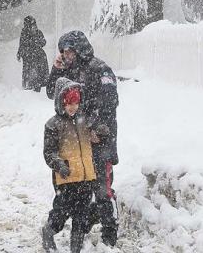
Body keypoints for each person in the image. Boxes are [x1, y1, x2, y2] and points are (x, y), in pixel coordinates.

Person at [46, 30, 119, 247]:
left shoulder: (100, 69)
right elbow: (52, 92)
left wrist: (98, 129)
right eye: (64, 52)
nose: (66, 55)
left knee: (102, 189)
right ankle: (84, 222)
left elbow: (110, 103)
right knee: (78, 187)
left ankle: (109, 233)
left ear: (79, 49)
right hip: (76, 143)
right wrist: (56, 69)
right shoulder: (67, 70)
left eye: (69, 51)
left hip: (99, 141)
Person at [42, 77, 98, 253]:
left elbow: (94, 141)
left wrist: (100, 134)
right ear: (61, 102)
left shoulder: (85, 121)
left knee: (81, 216)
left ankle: (76, 249)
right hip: (66, 178)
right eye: (68, 103)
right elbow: (49, 152)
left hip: (85, 177)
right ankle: (48, 231)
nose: (73, 107)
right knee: (61, 212)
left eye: (75, 102)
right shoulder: (53, 124)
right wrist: (60, 165)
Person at [17, 16, 49, 92]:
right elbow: (21, 44)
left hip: (39, 56)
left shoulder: (38, 32)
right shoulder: (24, 34)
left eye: (34, 24)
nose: (34, 26)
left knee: (40, 71)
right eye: (32, 24)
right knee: (31, 72)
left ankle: (39, 86)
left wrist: (37, 43)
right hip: (29, 57)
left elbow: (43, 42)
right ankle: (29, 87)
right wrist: (19, 53)